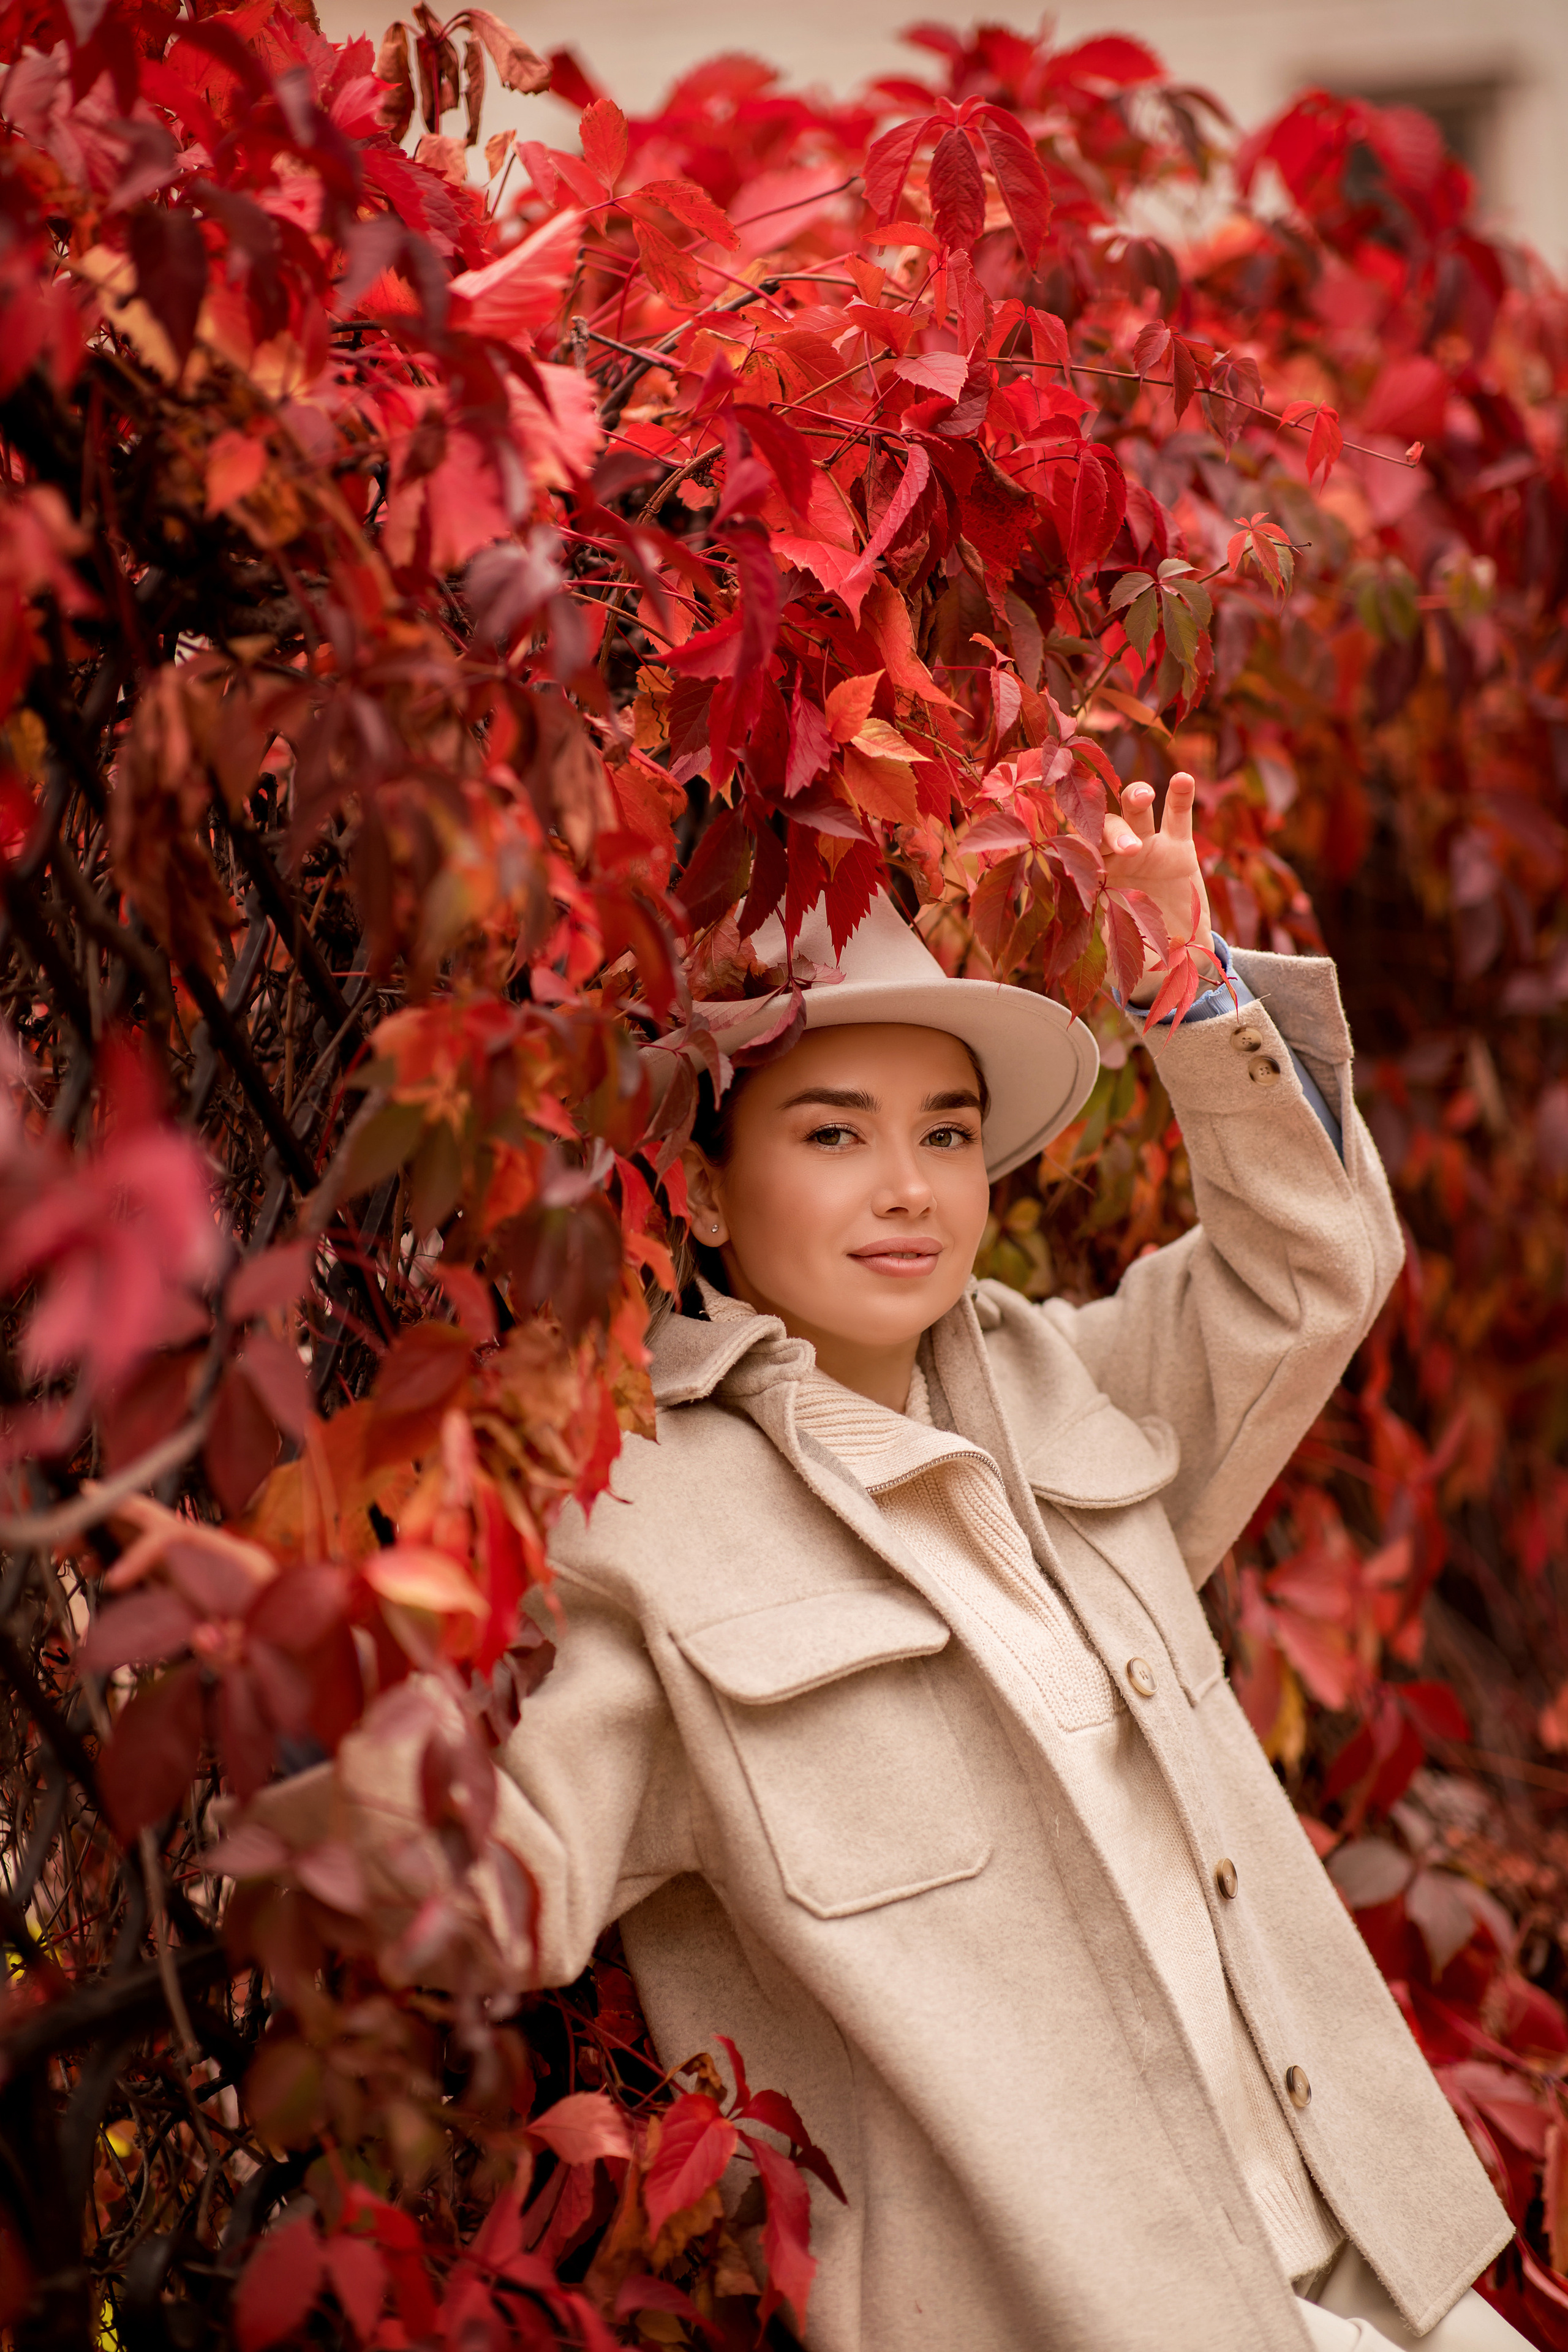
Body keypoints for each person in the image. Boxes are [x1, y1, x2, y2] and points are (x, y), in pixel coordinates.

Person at [260, 775, 1526, 2348]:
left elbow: (1309, 1275)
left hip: (1363, 2276)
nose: (909, 1185)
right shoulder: (639, 1534)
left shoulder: (1064, 1386)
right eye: (833, 1131)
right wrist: (303, 1667)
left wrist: (1192, 999)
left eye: (944, 1131)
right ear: (707, 1187)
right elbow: (491, 1892)